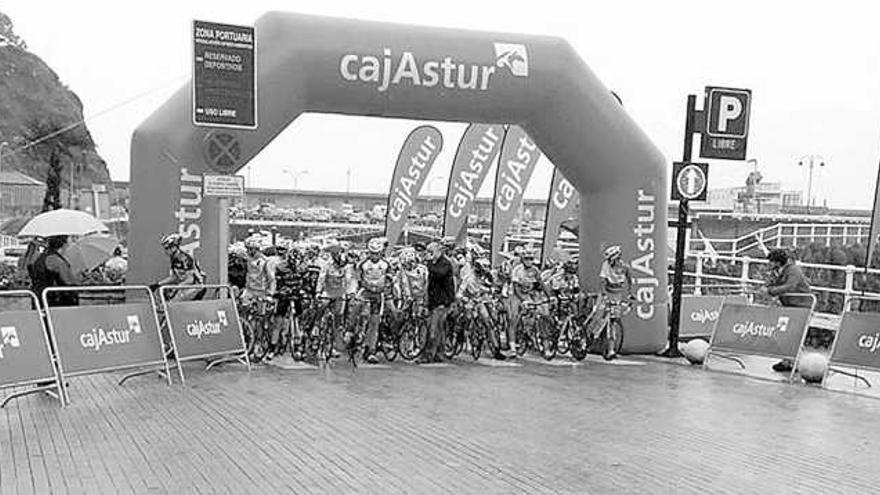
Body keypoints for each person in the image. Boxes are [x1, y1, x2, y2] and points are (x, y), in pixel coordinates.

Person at [760, 249, 813, 372]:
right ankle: (788, 361)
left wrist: (770, 291)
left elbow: (790, 286)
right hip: (789, 306)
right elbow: (775, 284)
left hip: (801, 306)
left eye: (771, 262)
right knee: (786, 333)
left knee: (795, 334)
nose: (769, 264)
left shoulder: (793, 270)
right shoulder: (779, 271)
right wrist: (767, 287)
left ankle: (796, 362)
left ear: (778, 262)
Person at [457, 255, 506, 360]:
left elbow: (492, 287)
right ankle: (462, 333)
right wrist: (463, 298)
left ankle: (496, 349)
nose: (483, 275)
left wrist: (492, 292)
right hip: (469, 300)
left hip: (480, 300)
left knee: (488, 322)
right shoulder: (468, 278)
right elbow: (459, 292)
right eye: (482, 272)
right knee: (468, 317)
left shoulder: (487, 276)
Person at [355, 238, 393, 364]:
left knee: (375, 323)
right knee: (356, 309)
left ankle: (371, 349)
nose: (374, 256)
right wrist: (364, 286)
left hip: (378, 295)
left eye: (377, 253)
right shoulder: (362, 263)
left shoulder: (386, 264)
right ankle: (352, 330)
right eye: (372, 253)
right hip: (365, 292)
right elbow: (358, 279)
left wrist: (385, 289)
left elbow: (390, 279)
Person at [508, 248, 545, 356]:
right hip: (516, 294)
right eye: (526, 259)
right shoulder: (517, 270)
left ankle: (531, 331)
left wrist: (549, 296)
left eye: (531, 259)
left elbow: (541, 284)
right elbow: (515, 288)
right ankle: (512, 347)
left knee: (538, 311)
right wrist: (523, 300)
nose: (529, 261)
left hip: (528, 293)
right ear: (522, 259)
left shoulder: (535, 270)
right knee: (513, 319)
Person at [423, 242, 455, 363]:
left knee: (433, 329)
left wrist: (429, 264)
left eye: (431, 252)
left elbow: (438, 274)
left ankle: (429, 354)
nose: (429, 255)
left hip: (442, 300)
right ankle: (439, 353)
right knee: (439, 329)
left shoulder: (445, 263)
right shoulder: (436, 263)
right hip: (434, 299)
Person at [30, 235, 80, 307]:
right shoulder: (56, 260)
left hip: (40, 299)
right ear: (64, 244)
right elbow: (68, 282)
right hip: (56, 301)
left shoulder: (40, 258)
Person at [154, 233, 206, 300]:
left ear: (174, 247)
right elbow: (175, 277)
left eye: (167, 248)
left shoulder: (184, 258)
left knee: (175, 301)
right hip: (187, 285)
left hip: (197, 286)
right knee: (169, 299)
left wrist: (176, 288)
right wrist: (158, 284)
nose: (165, 251)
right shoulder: (173, 258)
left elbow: (190, 279)